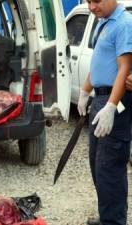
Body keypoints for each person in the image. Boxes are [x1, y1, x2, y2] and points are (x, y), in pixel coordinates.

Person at [77, 0, 132, 224]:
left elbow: (125, 69)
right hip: (100, 98)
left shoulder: (124, 23)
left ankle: (113, 221)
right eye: (88, 1)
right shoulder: (103, 22)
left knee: (110, 166)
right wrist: (84, 90)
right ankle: (107, 216)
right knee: (98, 165)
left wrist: (111, 105)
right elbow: (99, 63)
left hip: (115, 101)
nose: (91, 6)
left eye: (96, 1)